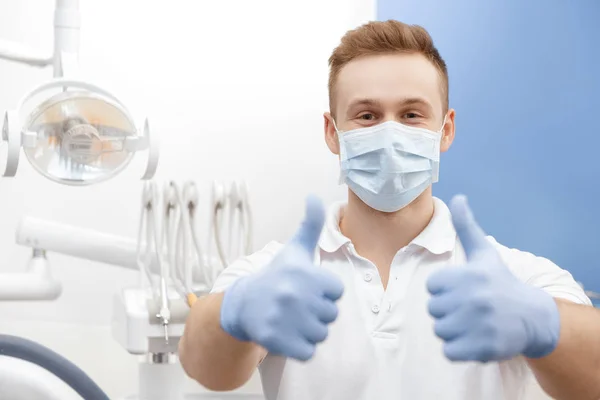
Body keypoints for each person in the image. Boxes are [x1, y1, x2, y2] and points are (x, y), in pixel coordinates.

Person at [179, 20, 600, 400]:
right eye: (367, 115)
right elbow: (205, 367)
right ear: (332, 132)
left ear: (445, 130)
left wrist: (545, 324)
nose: (390, 132)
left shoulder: (512, 280)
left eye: (412, 114)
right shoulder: (280, 279)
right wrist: (234, 315)